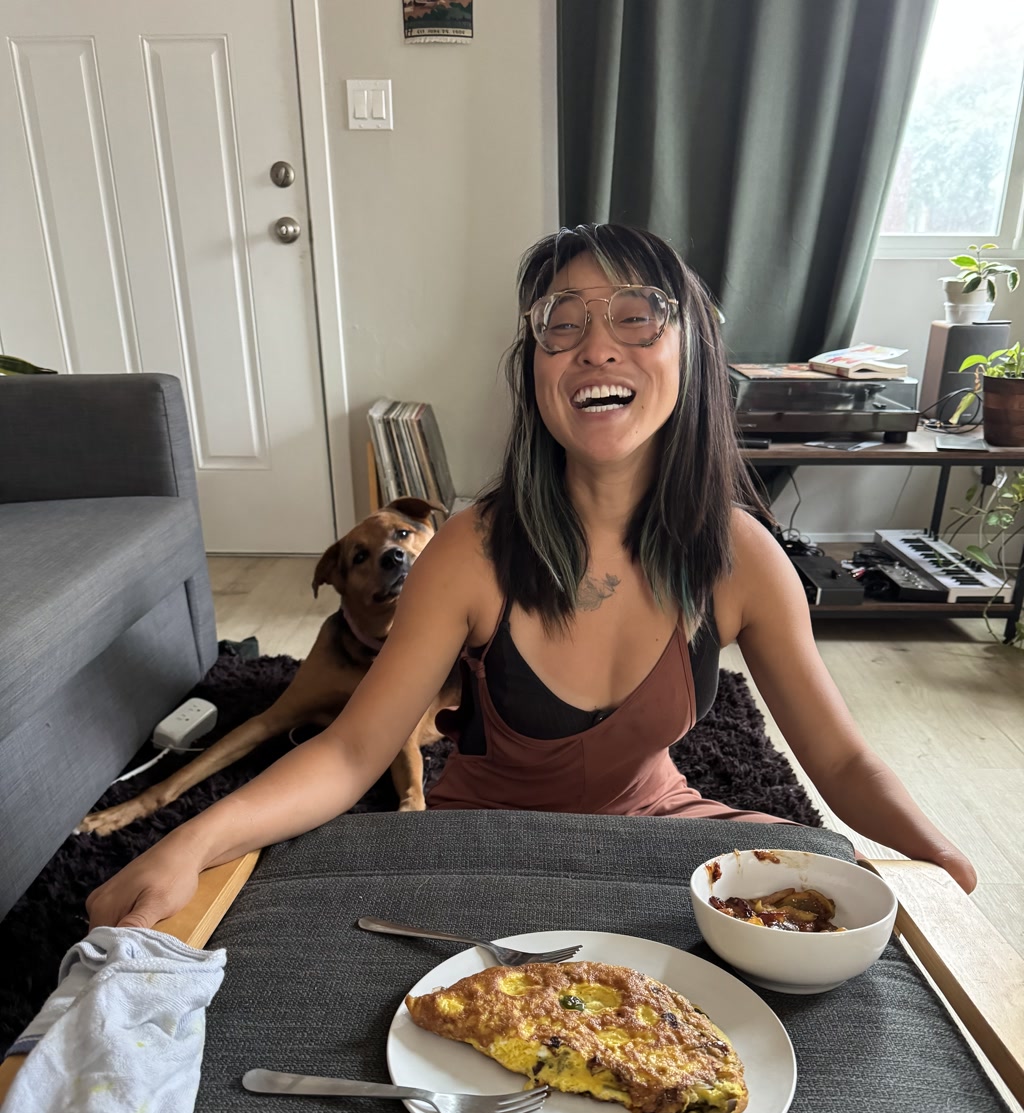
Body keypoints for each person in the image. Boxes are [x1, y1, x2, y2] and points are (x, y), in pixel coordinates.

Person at [87, 223, 976, 931]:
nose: (596, 346)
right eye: (562, 323)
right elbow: (354, 751)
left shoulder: (739, 556)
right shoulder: (471, 548)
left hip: (656, 831)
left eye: (636, 315)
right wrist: (189, 841)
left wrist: (937, 859)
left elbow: (843, 758)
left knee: (829, 893)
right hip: (487, 844)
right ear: (536, 373)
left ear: (691, 352)